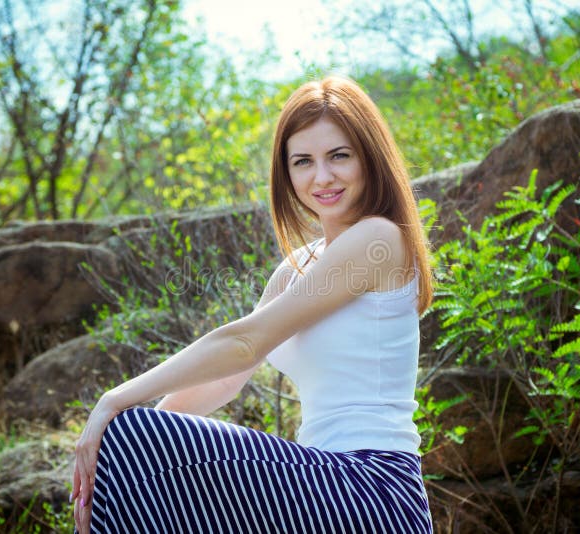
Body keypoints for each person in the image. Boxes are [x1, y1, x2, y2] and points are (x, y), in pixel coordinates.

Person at [71, 75, 434, 533]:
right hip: (323, 487)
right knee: (126, 440)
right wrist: (122, 468)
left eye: (339, 155)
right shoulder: (297, 268)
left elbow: (245, 343)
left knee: (124, 430)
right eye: (303, 162)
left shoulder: (379, 239)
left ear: (369, 157)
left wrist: (113, 403)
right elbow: (226, 379)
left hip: (373, 492)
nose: (322, 177)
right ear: (286, 172)